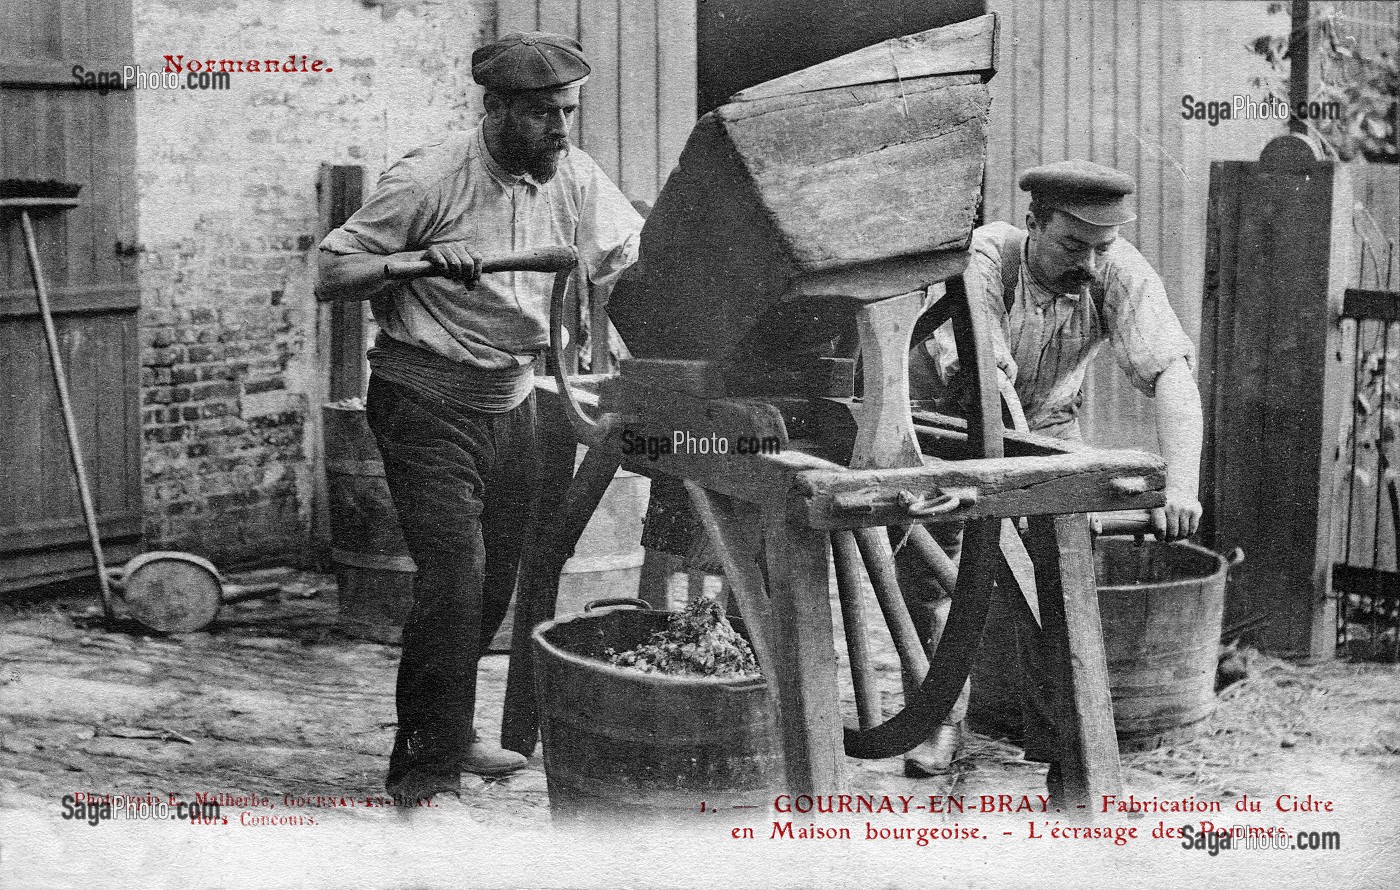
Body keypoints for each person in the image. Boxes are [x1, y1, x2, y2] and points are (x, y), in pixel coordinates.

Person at [317, 31, 643, 804]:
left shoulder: (574, 174)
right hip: (424, 399)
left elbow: (626, 260)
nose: (560, 131)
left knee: (494, 581)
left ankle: (450, 734)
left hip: (515, 398)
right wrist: (415, 262)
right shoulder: (431, 177)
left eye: (567, 112)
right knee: (454, 581)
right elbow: (333, 272)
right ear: (493, 109)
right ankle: (424, 774)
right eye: (540, 116)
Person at [900, 159, 1204, 775]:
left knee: (1062, 571)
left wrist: (1181, 487)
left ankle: (1053, 727)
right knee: (933, 573)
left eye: (1102, 247)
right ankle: (939, 718)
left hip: (1047, 427)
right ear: (1033, 223)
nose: (1089, 265)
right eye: (1073, 244)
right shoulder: (985, 258)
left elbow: (1173, 375)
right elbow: (987, 376)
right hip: (948, 422)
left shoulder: (1117, 270)